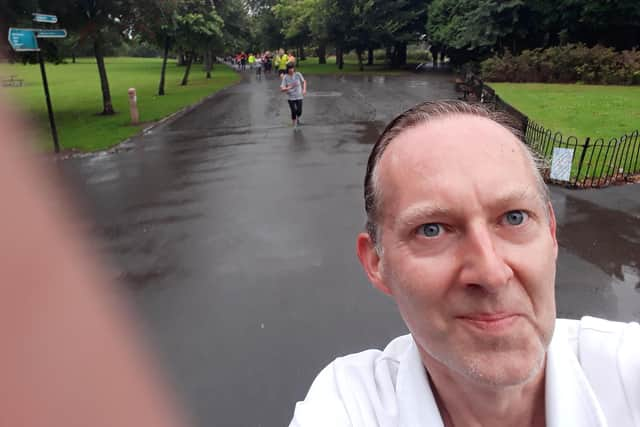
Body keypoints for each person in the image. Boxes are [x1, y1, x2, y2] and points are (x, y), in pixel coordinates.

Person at [289, 100, 640, 426]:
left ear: (550, 233)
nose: (491, 273)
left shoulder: (627, 369)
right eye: (432, 230)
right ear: (377, 262)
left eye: (514, 218)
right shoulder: (349, 405)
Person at [280, 63, 306, 129]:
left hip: (299, 95)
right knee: (293, 110)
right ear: (287, 69)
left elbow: (304, 81)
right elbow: (282, 89)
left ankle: (298, 118)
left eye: (292, 68)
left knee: (299, 111)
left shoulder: (298, 74)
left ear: (294, 68)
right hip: (291, 97)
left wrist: (304, 89)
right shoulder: (285, 77)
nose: (291, 70)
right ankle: (294, 124)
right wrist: (288, 88)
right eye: (289, 69)